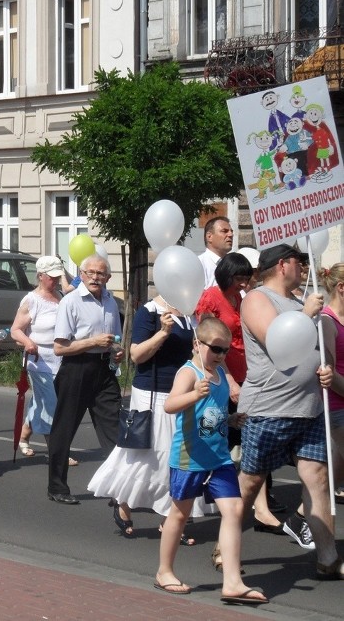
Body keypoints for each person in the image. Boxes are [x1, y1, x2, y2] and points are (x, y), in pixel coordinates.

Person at [238, 244, 343, 580]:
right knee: (251, 483)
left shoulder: (298, 302)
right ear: (283, 265)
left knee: (318, 478)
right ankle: (225, 545)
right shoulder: (257, 299)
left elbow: (311, 350)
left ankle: (328, 557)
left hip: (309, 409)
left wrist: (324, 368)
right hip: (270, 409)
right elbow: (278, 342)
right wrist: (308, 316)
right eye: (299, 262)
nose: (304, 267)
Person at [155, 317, 266, 605]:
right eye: (215, 349)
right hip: (189, 456)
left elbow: (210, 417)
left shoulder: (217, 377)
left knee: (234, 509)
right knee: (180, 514)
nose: (220, 355)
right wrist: (193, 393)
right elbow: (170, 405)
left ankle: (232, 581)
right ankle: (164, 571)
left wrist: (230, 420)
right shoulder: (189, 372)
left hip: (218, 457)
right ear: (197, 344)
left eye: (225, 350)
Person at [88, 294, 212, 540]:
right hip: (152, 394)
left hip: (183, 392)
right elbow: (136, 355)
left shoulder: (190, 313)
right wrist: (163, 333)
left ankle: (171, 521)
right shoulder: (150, 311)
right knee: (146, 454)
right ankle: (123, 502)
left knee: (178, 456)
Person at [195, 252, 287, 539]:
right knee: (213, 438)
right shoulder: (211, 298)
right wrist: (231, 381)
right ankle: (184, 499)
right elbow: (207, 345)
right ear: (225, 275)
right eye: (238, 278)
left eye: (247, 277)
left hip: (248, 377)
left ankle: (261, 507)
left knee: (253, 438)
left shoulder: (244, 299)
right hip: (223, 379)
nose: (243, 282)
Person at [47, 254, 121, 504]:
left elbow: (115, 339)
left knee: (115, 431)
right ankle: (57, 487)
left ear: (108, 278)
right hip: (76, 369)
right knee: (64, 430)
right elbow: (60, 348)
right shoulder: (71, 301)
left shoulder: (111, 302)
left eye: (101, 274)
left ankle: (118, 488)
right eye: (90, 273)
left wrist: (117, 352)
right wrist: (93, 342)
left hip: (104, 370)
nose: (95, 278)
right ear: (81, 274)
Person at [10, 255, 74, 462]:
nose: (55, 281)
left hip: (61, 359)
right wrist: (28, 343)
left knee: (41, 402)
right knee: (51, 405)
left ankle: (23, 437)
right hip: (39, 362)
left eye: (58, 276)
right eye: (51, 277)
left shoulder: (61, 297)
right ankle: (57, 453)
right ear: (40, 276)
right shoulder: (31, 300)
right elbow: (15, 330)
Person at [318, 265, 344, 524]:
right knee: (327, 480)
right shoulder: (327, 321)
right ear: (341, 288)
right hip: (338, 407)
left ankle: (301, 518)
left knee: (329, 480)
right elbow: (330, 374)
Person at [198, 216, 234, 289]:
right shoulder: (198, 265)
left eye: (231, 231)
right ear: (209, 236)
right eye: (224, 231)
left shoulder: (233, 265)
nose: (231, 235)